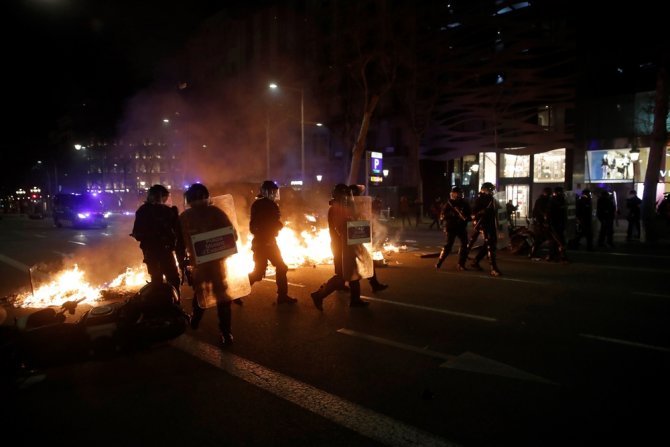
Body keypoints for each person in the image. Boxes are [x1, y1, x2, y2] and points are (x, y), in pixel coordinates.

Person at [177, 183, 235, 346]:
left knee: (222, 297)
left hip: (216, 263)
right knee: (201, 294)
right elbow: (180, 242)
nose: (198, 201)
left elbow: (232, 235)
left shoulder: (216, 213)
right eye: (194, 198)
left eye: (200, 197)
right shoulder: (184, 218)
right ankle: (196, 320)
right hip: (199, 264)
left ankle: (225, 331)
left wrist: (220, 244)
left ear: (206, 197)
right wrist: (182, 261)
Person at [310, 184, 371, 310]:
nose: (348, 197)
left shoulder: (342, 207)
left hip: (346, 244)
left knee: (352, 272)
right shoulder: (335, 209)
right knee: (343, 275)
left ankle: (355, 300)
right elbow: (342, 228)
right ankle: (319, 295)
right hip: (341, 246)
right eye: (346, 195)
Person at [247, 180, 297, 305]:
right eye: (272, 192)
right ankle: (282, 296)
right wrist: (277, 226)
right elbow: (264, 223)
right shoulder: (266, 205)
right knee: (268, 270)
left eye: (275, 192)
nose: (275, 194)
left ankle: (282, 296)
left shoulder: (260, 204)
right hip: (265, 242)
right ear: (266, 192)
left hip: (264, 241)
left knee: (266, 270)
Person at [131, 184, 183, 299]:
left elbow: (137, 233)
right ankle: (173, 303)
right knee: (171, 278)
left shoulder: (144, 211)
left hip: (154, 251)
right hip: (160, 251)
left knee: (159, 279)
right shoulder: (165, 211)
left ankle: (162, 305)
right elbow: (178, 233)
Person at [348, 184, 388, 293]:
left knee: (365, 261)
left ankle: (374, 284)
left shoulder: (355, 203)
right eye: (358, 193)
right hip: (351, 239)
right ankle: (351, 294)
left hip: (356, 237)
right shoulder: (348, 205)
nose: (360, 195)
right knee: (351, 267)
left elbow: (361, 218)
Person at [467, 182, 502, 276]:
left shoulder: (493, 199)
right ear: (485, 190)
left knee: (490, 244)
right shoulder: (479, 200)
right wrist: (482, 212)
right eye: (490, 189)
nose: (492, 191)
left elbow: (499, 209)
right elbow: (473, 214)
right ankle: (493, 268)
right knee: (490, 245)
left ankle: (475, 261)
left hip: (492, 224)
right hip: (484, 224)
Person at [435, 186, 471, 271]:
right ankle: (440, 262)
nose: (459, 195)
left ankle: (461, 264)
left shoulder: (465, 204)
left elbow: (469, 215)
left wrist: (466, 217)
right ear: (453, 194)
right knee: (448, 245)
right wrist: (452, 214)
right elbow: (442, 216)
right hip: (451, 227)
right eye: (458, 193)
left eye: (460, 193)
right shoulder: (449, 203)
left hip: (461, 227)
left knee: (464, 245)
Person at [529, 187, 553, 258]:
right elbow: (539, 211)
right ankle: (549, 254)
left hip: (542, 222)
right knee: (543, 238)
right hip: (541, 222)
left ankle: (533, 253)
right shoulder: (542, 201)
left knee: (540, 238)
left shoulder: (544, 200)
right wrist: (543, 217)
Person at [546, 186, 568, 262]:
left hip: (559, 223)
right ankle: (555, 255)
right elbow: (549, 213)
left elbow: (564, 213)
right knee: (557, 240)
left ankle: (555, 255)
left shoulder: (561, 200)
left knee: (558, 240)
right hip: (555, 223)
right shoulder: (554, 201)